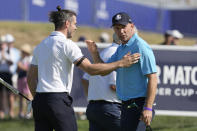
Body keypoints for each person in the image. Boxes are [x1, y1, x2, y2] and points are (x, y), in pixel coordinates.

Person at [27, 6, 140, 131]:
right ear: (67, 23)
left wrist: (37, 99)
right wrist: (121, 63)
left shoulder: (40, 45)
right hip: (58, 101)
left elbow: (30, 78)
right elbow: (91, 70)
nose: (75, 27)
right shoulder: (67, 44)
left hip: (40, 102)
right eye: (75, 24)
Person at [85, 12, 158, 131]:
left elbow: (153, 78)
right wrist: (95, 53)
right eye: (117, 28)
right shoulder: (121, 48)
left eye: (123, 27)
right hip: (125, 104)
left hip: (139, 104)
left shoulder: (140, 46)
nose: (121, 31)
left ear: (131, 26)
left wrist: (148, 108)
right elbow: (104, 70)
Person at [82, 33, 121, 131]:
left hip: (93, 108)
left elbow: (85, 79)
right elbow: (114, 86)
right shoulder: (118, 53)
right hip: (110, 108)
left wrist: (93, 98)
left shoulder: (105, 52)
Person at [17, 44, 33, 119]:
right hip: (20, 78)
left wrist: (21, 66)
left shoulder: (30, 59)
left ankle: (28, 113)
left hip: (27, 79)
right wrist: (19, 66)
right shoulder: (21, 59)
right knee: (20, 96)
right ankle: (20, 113)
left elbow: (28, 69)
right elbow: (17, 70)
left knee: (28, 96)